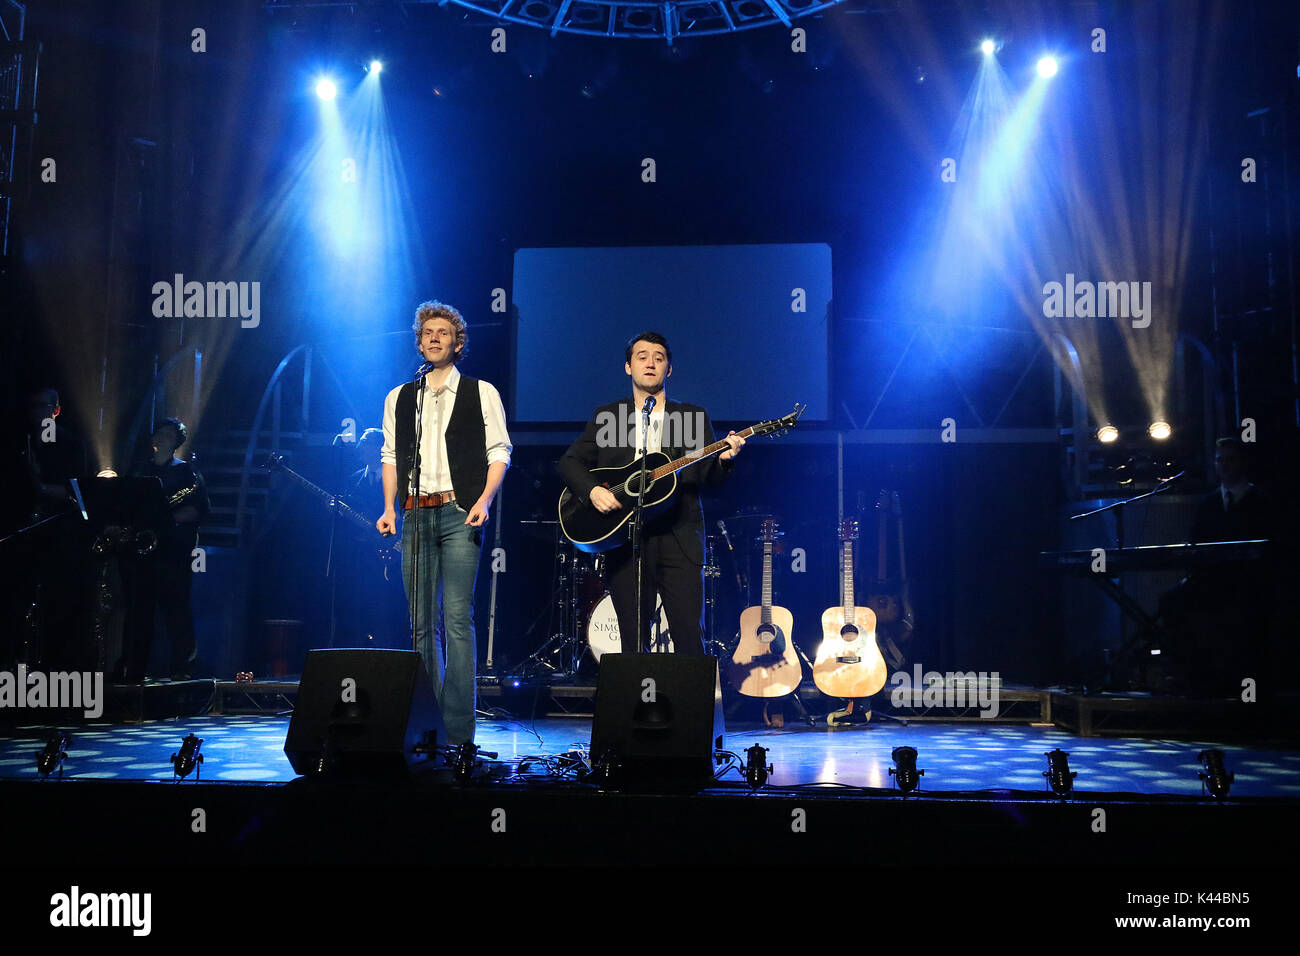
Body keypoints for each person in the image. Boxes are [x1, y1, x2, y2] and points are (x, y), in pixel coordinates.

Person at [559, 331, 743, 656]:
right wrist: (592, 493)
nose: (651, 363)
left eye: (659, 358)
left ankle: (689, 707)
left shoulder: (692, 417)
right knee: (633, 642)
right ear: (628, 367)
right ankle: (636, 708)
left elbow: (708, 478)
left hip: (680, 538)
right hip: (625, 539)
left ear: (668, 370)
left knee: (689, 638)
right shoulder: (609, 416)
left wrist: (724, 461)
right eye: (642, 356)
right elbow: (570, 462)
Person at [376, 301, 511, 745]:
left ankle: (457, 733)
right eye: (427, 333)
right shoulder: (401, 397)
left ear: (458, 342)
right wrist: (390, 508)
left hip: (459, 512)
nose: (434, 338)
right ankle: (425, 725)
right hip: (415, 513)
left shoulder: (480, 391)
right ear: (419, 342)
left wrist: (485, 500)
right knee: (419, 623)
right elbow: (391, 457)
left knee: (455, 618)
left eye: (443, 332)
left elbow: (499, 452)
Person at [119, 417, 209, 681]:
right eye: (158, 432)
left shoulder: (187, 473)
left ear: (177, 441)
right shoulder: (139, 471)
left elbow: (198, 509)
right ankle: (133, 669)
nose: (161, 437)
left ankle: (183, 670)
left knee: (176, 612)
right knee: (137, 613)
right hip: (141, 552)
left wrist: (166, 519)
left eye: (168, 434)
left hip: (172, 552)